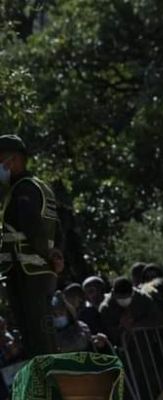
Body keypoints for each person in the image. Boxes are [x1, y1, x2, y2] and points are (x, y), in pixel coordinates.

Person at [0, 135, 63, 357]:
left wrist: (46, 254)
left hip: (26, 274)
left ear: (13, 160)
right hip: (42, 273)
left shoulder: (21, 191)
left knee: (36, 339)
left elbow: (33, 229)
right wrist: (56, 256)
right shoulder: (40, 187)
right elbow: (57, 229)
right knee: (44, 336)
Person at [99, 277, 161, 345]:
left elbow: (156, 318)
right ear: (113, 293)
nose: (124, 300)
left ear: (132, 292)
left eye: (127, 297)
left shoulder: (144, 299)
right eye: (120, 297)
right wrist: (121, 326)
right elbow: (108, 331)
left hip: (147, 343)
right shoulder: (106, 307)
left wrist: (136, 325)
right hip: (125, 346)